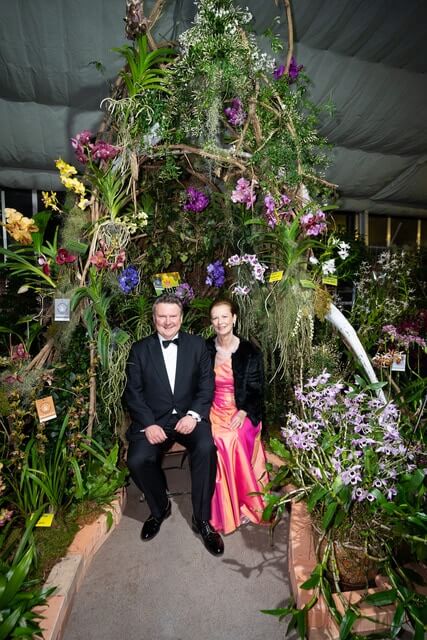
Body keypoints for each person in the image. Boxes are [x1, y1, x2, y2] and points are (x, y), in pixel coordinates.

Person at [123, 293, 224, 556]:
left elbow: (206, 386)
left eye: (173, 316)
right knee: (137, 460)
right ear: (153, 318)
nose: (167, 322)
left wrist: (193, 415)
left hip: (189, 417)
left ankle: (202, 519)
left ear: (181, 318)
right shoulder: (139, 349)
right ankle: (159, 509)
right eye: (162, 316)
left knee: (205, 448)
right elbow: (133, 393)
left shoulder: (197, 345)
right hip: (154, 420)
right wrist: (148, 424)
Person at [205, 298, 268, 535]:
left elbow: (256, 390)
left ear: (234, 318)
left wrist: (243, 412)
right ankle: (220, 508)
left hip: (242, 409)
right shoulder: (205, 349)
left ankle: (242, 503)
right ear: (211, 322)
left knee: (230, 439)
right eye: (215, 318)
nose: (220, 322)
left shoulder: (249, 352)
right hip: (212, 409)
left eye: (224, 316)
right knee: (210, 439)